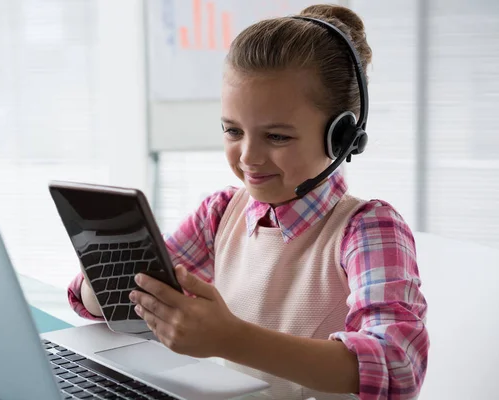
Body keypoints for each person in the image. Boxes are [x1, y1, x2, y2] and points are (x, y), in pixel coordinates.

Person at [67, 4, 429, 399]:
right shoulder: (221, 213)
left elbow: (398, 367)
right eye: (233, 130)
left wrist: (231, 339)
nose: (248, 157)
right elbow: (102, 302)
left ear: (340, 138)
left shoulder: (368, 229)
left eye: (277, 137)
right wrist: (103, 280)